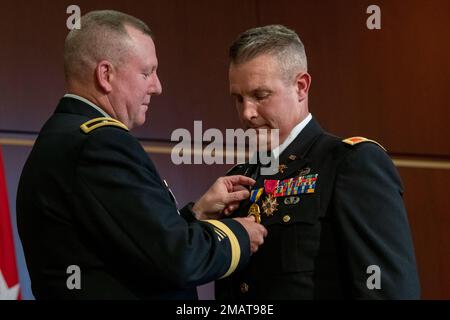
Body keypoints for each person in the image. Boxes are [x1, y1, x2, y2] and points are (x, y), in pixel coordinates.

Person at [16, 10, 267, 300]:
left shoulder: (66, 135)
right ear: (105, 75)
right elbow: (177, 259)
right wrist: (238, 234)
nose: (157, 86)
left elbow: (130, 246)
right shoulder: (99, 144)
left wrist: (196, 214)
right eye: (147, 72)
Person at [215, 25, 420, 299]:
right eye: (238, 99)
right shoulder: (240, 177)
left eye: (260, 96)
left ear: (301, 87)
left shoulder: (350, 162)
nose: (247, 113)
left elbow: (388, 291)